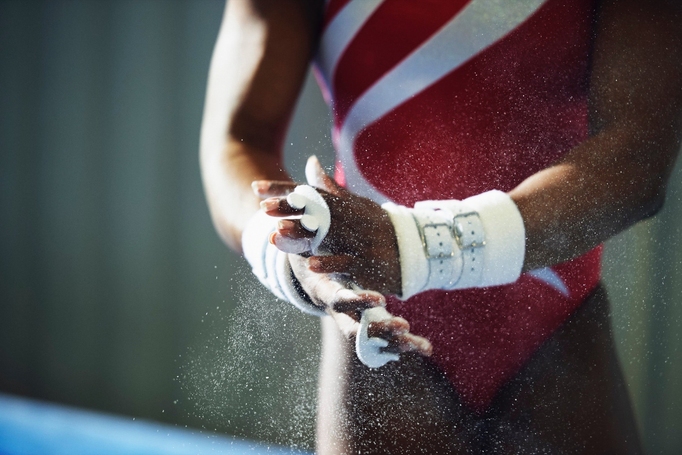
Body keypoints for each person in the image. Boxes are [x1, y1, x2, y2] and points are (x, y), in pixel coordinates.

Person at [200, 0, 682, 453]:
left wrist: (420, 246)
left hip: (557, 331)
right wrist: (288, 256)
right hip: (374, 323)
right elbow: (236, 141)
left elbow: (639, 154)